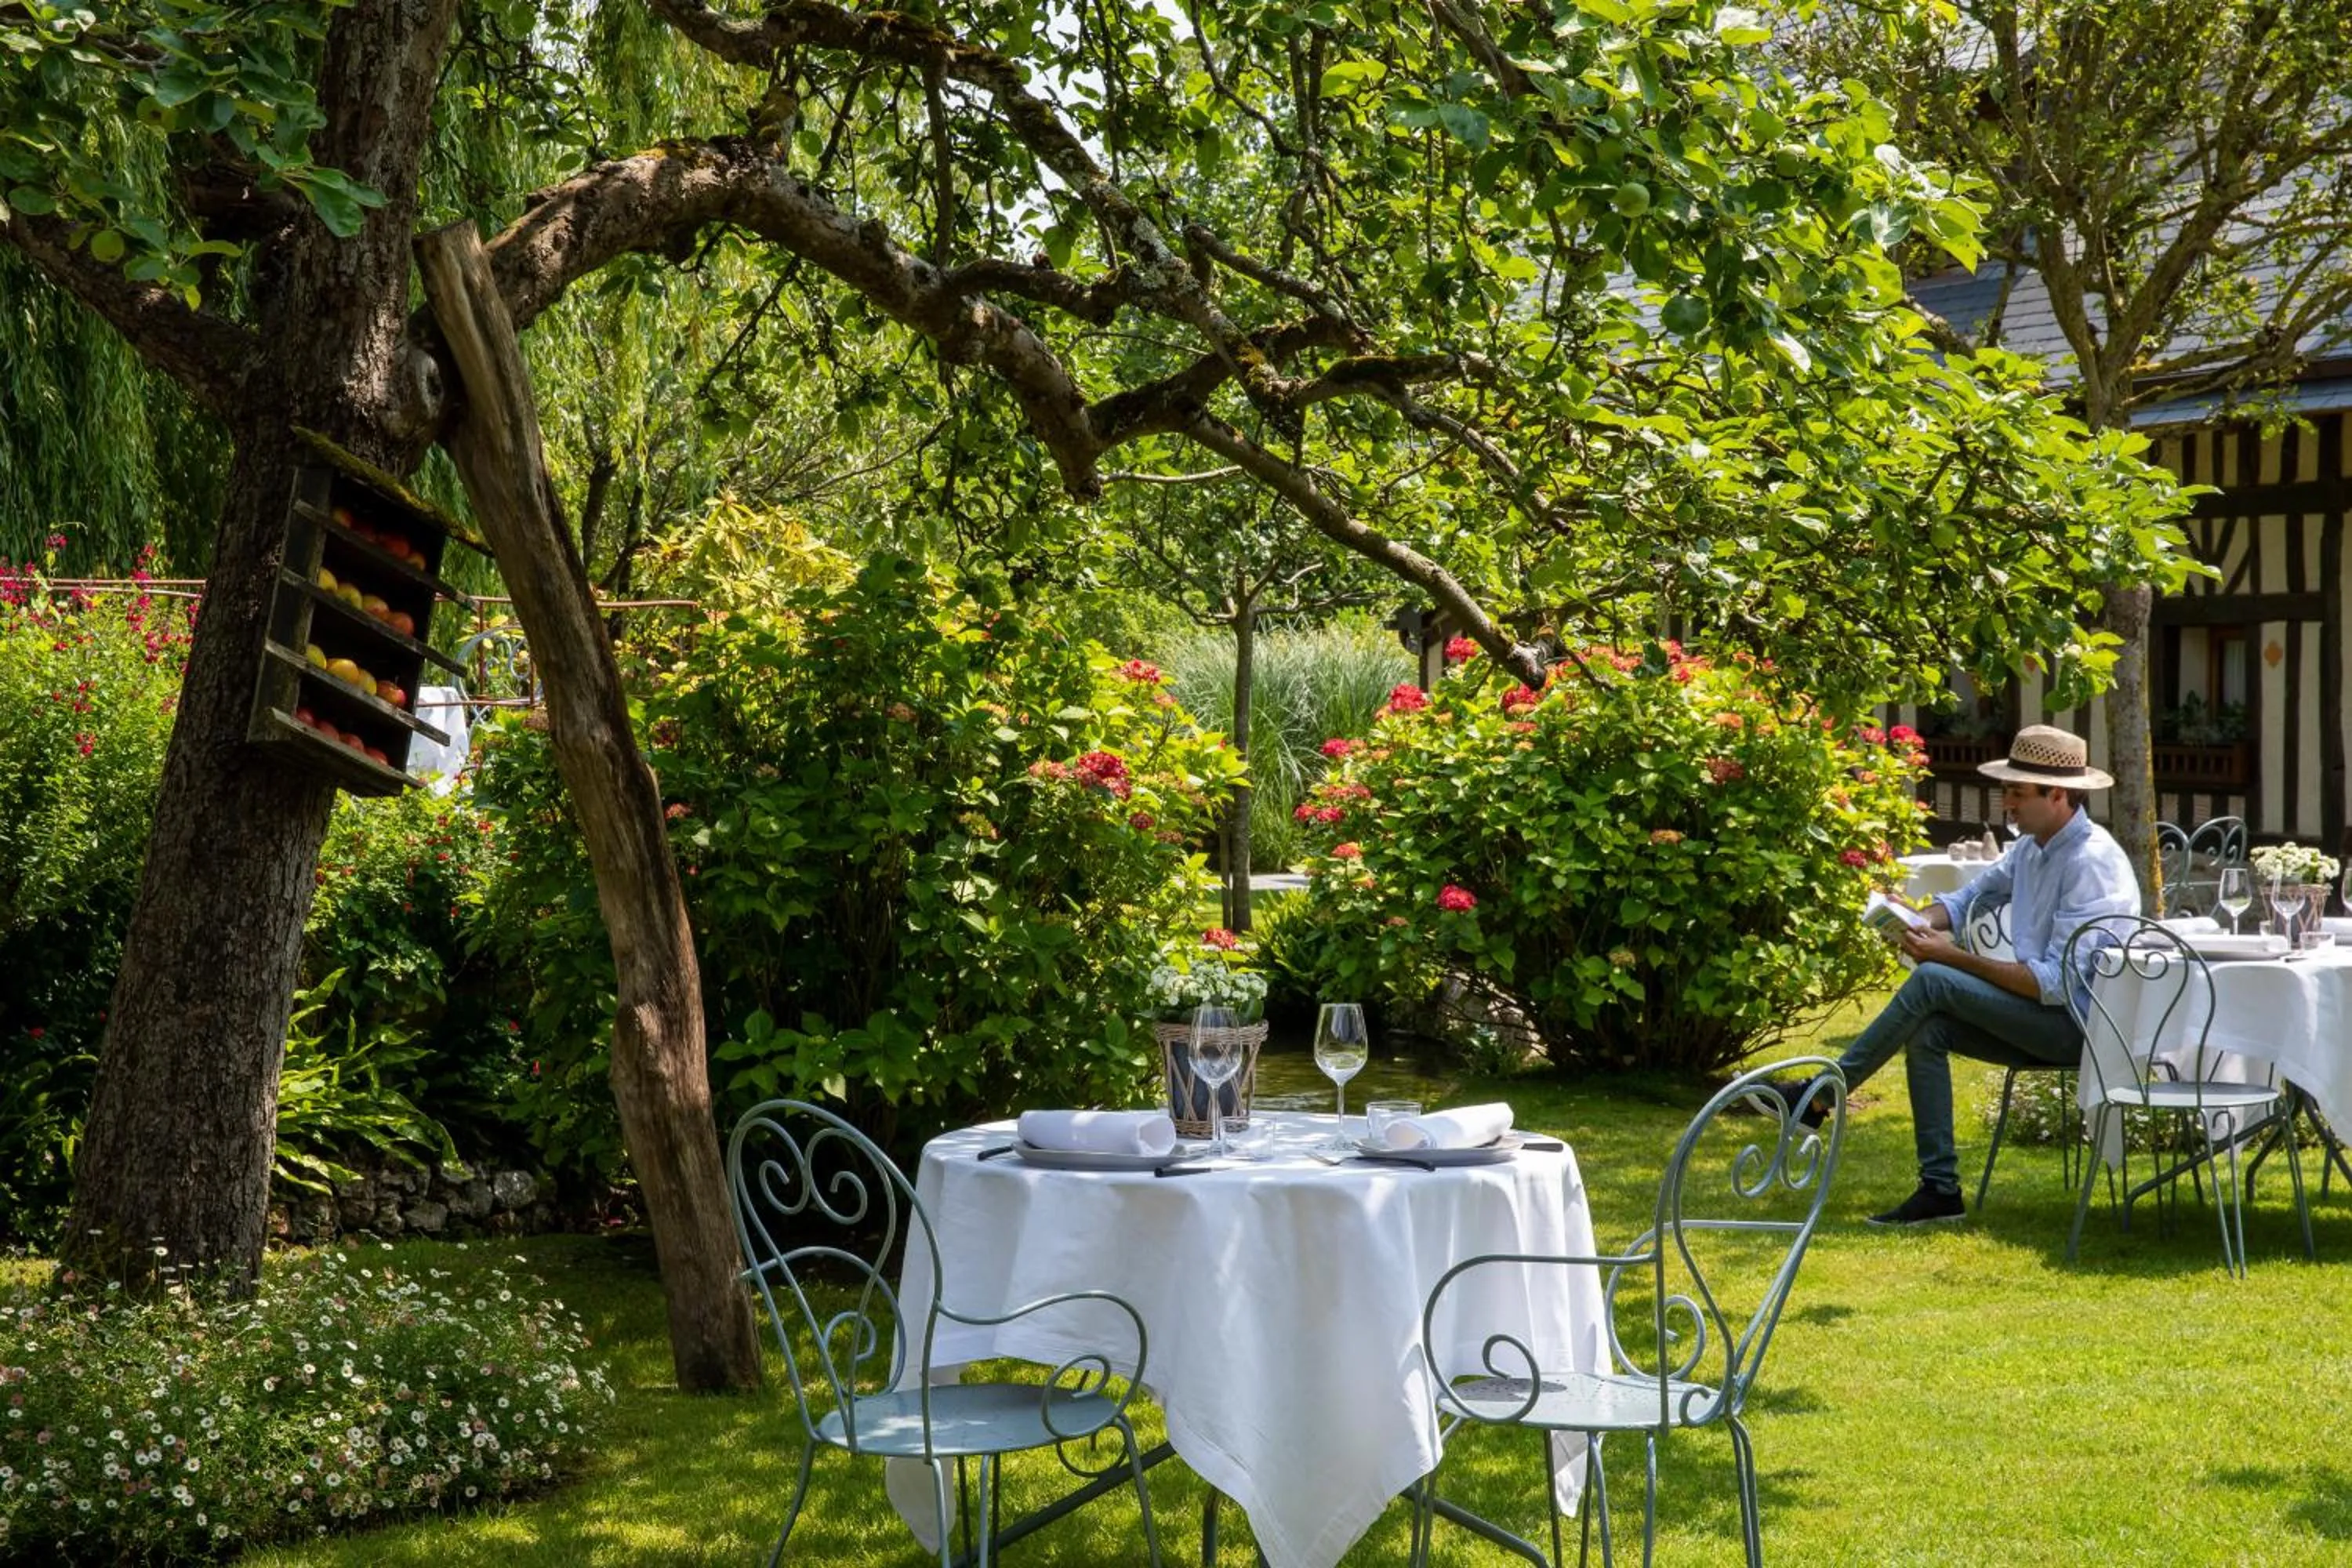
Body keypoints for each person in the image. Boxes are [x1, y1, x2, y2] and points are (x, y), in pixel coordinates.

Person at [1798, 724, 2140, 1225]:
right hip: (2041, 1018)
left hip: (2082, 1029)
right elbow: (1964, 901)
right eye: (2008, 790)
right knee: (1930, 1031)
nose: (2007, 804)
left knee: (1933, 980)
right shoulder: (2032, 848)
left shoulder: (2091, 862)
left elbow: (2055, 985)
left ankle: (1819, 1097)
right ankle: (1940, 1191)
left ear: (2060, 795)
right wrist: (1914, 919)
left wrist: (1949, 957)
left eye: (2018, 793)